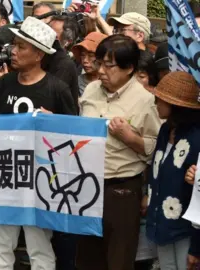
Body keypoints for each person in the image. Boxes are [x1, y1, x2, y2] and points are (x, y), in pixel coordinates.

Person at [0, 17, 75, 270]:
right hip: (5, 175)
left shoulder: (57, 89)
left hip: (42, 180)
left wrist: (55, 124)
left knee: (39, 244)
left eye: (21, 47)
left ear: (38, 54)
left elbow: (74, 137)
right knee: (1, 242)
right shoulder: (4, 84)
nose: (12, 51)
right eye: (13, 45)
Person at [77, 34, 161, 270]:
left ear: (129, 68)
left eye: (108, 65)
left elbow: (156, 148)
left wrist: (130, 138)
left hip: (121, 190)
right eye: (99, 63)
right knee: (87, 258)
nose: (101, 70)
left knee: (119, 259)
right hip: (87, 186)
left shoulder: (145, 100)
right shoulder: (92, 90)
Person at [144, 71, 200, 270]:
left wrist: (197, 247)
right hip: (162, 225)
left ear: (176, 106)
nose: (156, 104)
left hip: (186, 229)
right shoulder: (165, 130)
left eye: (160, 100)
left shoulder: (196, 138)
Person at [71, 31, 107, 96]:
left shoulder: (111, 83)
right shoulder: (76, 82)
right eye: (82, 55)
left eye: (91, 55)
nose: (85, 60)